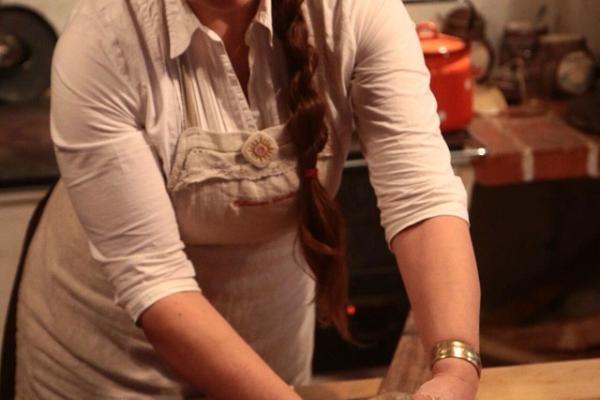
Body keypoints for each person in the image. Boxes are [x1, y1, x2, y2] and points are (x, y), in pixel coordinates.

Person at [6, 0, 481, 399]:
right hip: (105, 365)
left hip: (267, 353)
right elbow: (152, 278)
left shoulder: (352, 11)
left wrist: (455, 368)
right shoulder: (106, 39)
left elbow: (422, 197)